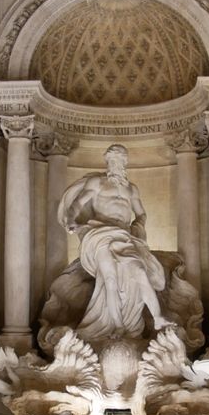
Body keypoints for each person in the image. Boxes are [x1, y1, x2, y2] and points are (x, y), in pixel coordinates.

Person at [55, 144, 168, 341]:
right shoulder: (96, 182)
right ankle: (117, 326)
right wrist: (72, 219)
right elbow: (78, 204)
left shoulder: (131, 189)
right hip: (100, 234)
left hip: (124, 236)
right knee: (110, 280)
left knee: (140, 272)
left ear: (125, 162)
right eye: (112, 160)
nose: (116, 164)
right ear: (107, 162)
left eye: (120, 159)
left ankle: (158, 318)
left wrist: (138, 227)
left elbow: (141, 213)